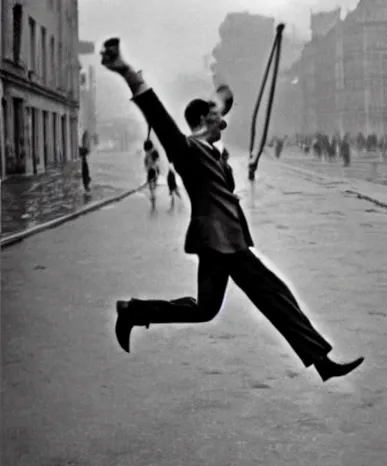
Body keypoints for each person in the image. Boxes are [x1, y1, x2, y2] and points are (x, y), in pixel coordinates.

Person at [100, 37, 364, 383]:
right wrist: (126, 70)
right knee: (274, 293)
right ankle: (322, 362)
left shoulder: (210, 150)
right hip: (219, 240)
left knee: (207, 309)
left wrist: (226, 105)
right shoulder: (186, 149)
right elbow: (157, 113)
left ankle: (133, 311)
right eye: (215, 118)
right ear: (200, 120)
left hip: (224, 241)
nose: (221, 122)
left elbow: (222, 106)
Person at [143, 140, 160, 204]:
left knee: (152, 187)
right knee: (152, 187)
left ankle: (153, 199)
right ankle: (153, 197)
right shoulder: (151, 152)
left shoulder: (152, 152)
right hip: (153, 170)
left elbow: (155, 161)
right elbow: (146, 162)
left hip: (152, 171)